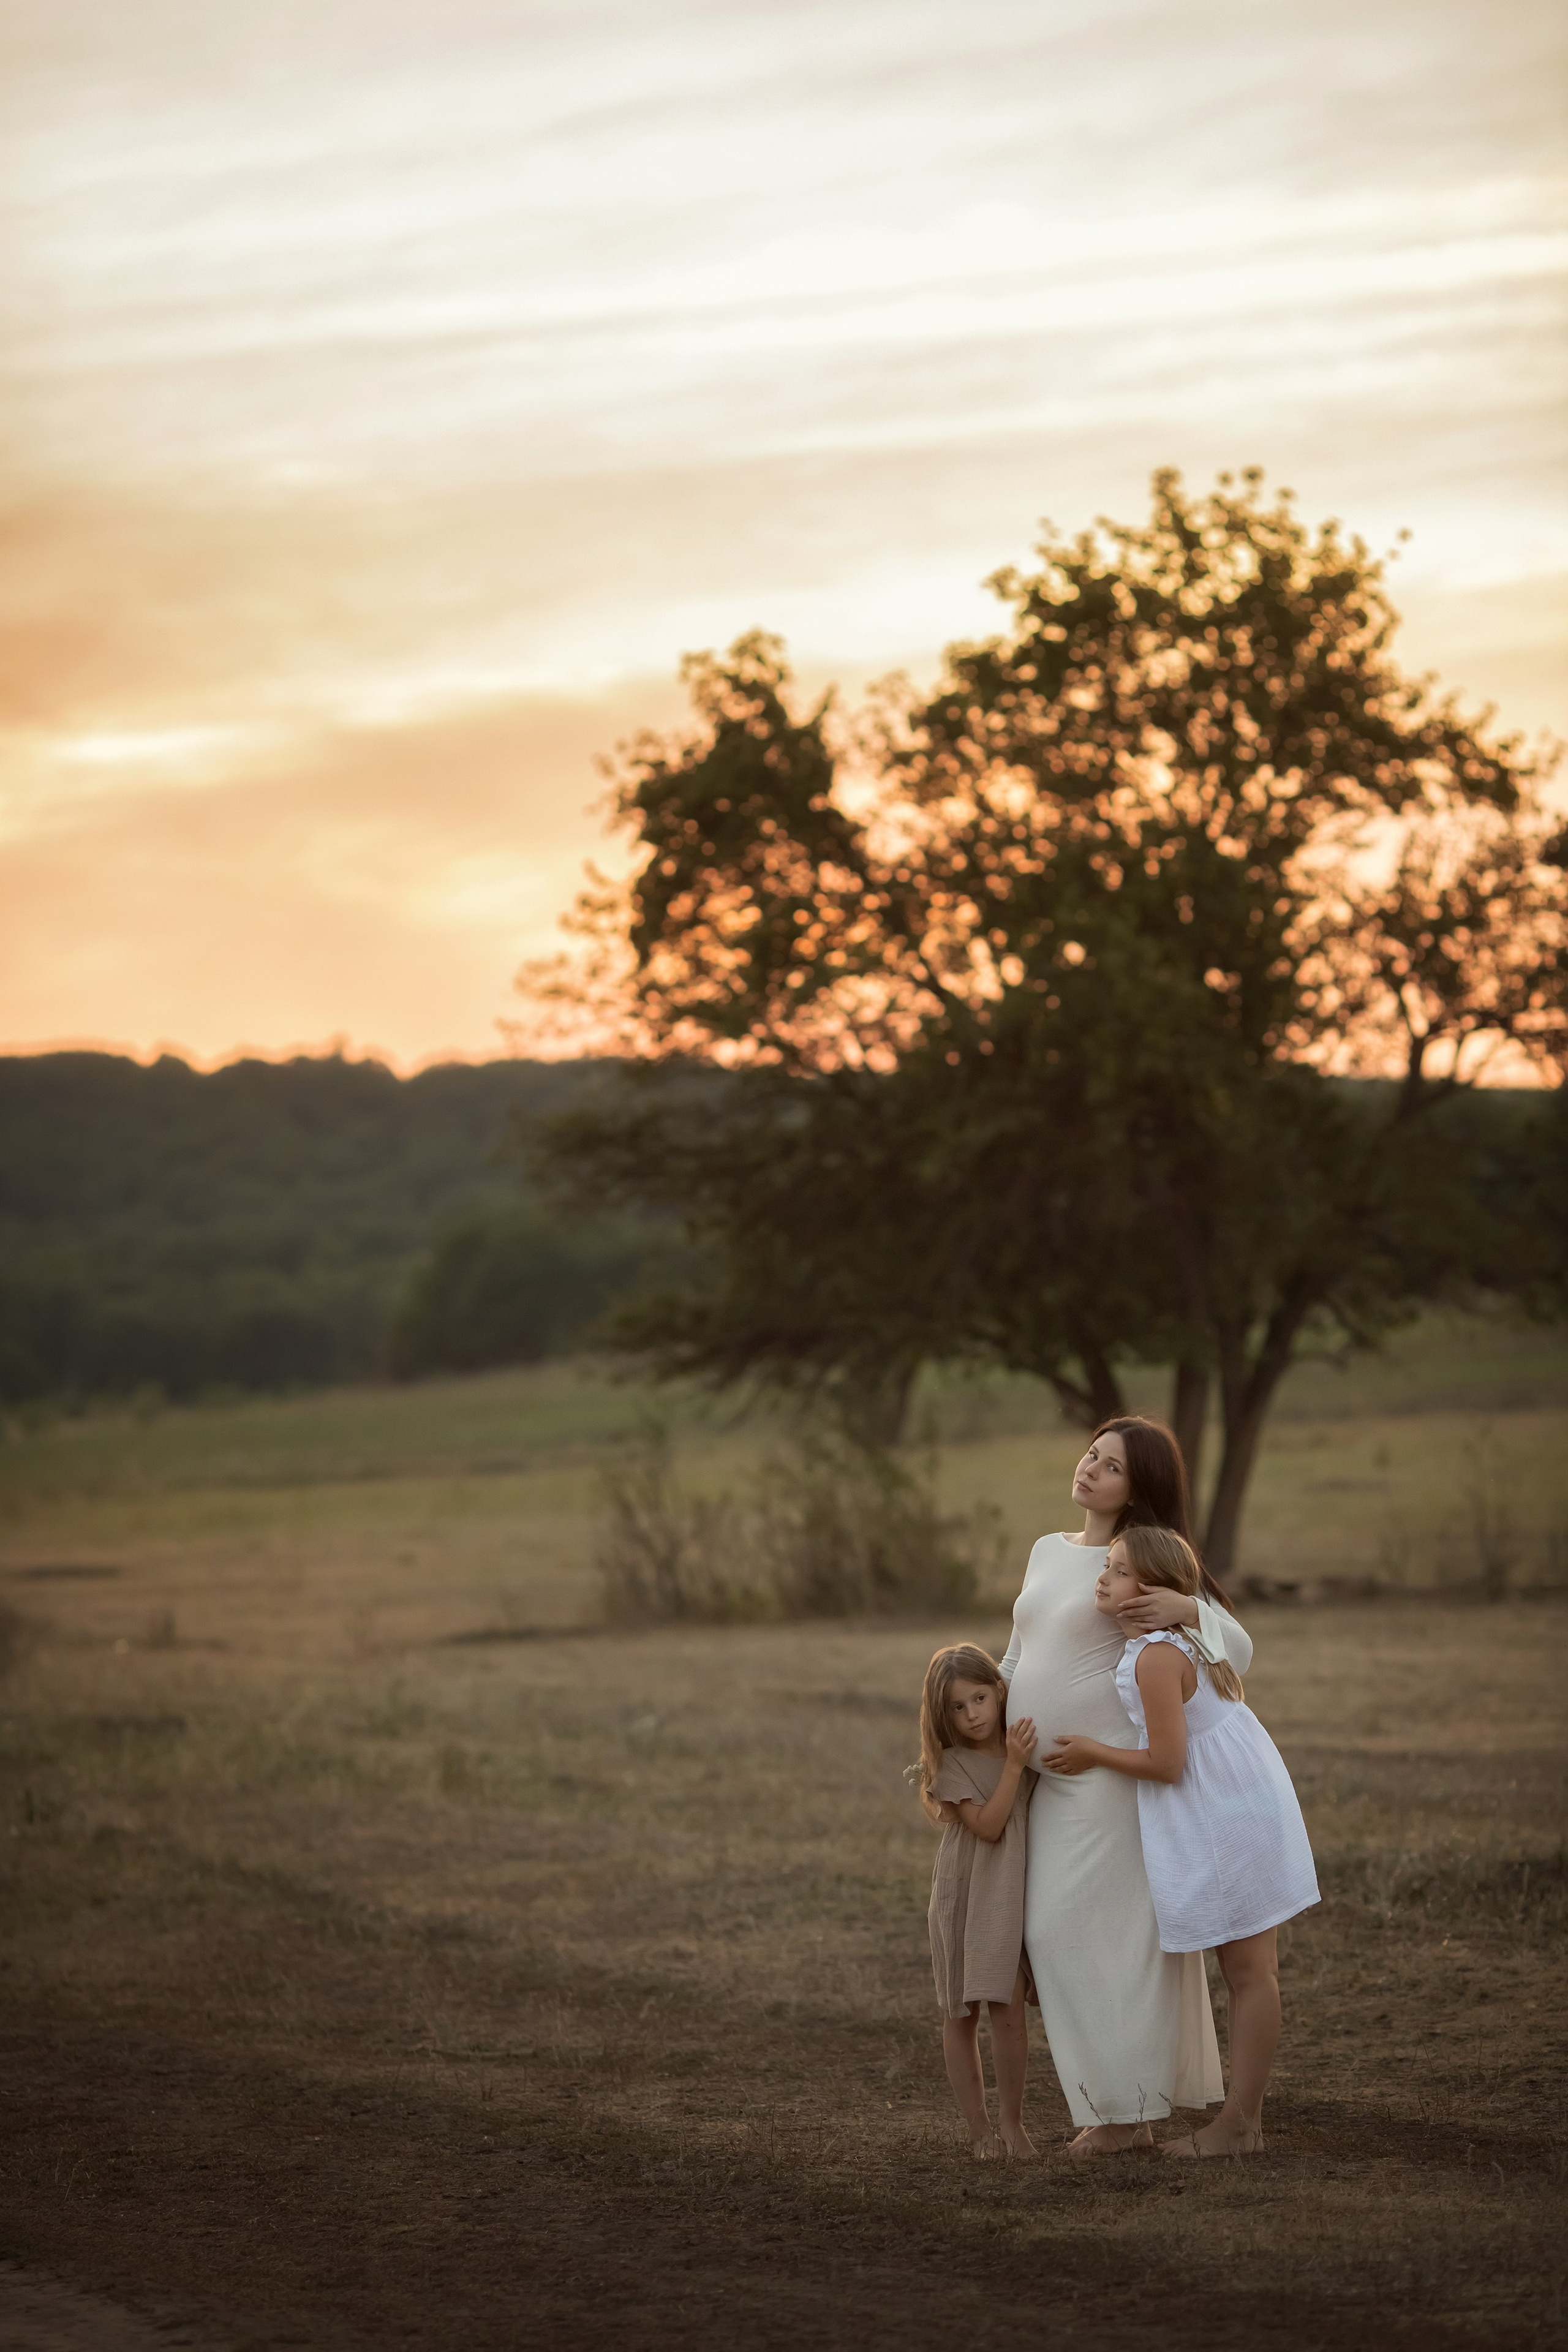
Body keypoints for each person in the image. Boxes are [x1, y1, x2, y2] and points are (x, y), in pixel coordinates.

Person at [1000, 1416, 1253, 2156]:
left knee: (1105, 1942)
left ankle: (1118, 2119)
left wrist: (1187, 1608)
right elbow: (1018, 1657)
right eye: (1090, 1454)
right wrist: (979, 1740)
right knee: (1055, 1939)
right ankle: (1119, 2109)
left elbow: (1236, 1651)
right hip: (1048, 1784)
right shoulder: (1049, 1550)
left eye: (1109, 1467)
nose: (1088, 1470)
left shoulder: (1140, 1561)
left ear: (1137, 1487)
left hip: (1107, 1782)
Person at [1043, 1524, 1319, 2156]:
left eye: (1116, 1570)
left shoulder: (1155, 1657)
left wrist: (1092, 1752)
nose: (1102, 1578)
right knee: (1252, 1972)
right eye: (1105, 1566)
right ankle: (1241, 2121)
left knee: (1249, 1972)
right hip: (1239, 1801)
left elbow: (1166, 1763)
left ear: (1149, 1591)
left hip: (1226, 1814)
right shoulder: (1175, 1641)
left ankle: (1240, 2125)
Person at [916, 1644, 1040, 2160]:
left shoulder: (1024, 1737)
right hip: (969, 1892)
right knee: (962, 2012)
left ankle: (1012, 2123)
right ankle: (979, 2131)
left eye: (980, 1698)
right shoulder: (954, 1766)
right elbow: (988, 1829)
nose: (973, 1716)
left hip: (1014, 1891)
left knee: (1010, 2010)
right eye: (958, 1708)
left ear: (999, 1691)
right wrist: (1014, 1766)